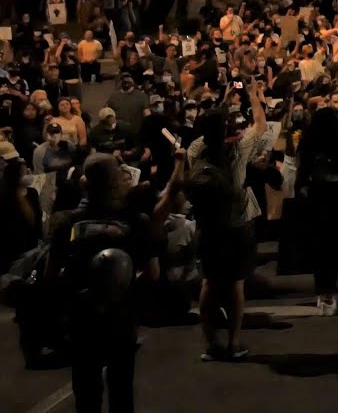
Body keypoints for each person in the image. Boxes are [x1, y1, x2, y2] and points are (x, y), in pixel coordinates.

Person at [46, 153, 161, 413]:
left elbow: (51, 275)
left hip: (81, 317)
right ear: (115, 182)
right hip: (121, 317)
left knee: (86, 393)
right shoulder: (136, 220)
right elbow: (152, 273)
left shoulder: (66, 222)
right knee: (121, 389)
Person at [182, 81, 268, 361]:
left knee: (209, 281)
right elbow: (260, 124)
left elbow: (206, 130)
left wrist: (223, 99)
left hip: (207, 225)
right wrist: (254, 96)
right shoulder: (237, 150)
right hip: (235, 224)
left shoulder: (195, 149)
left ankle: (210, 343)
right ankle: (233, 342)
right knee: (235, 284)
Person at [295, 107, 338, 315]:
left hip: (315, 200)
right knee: (333, 251)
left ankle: (321, 293)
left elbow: (301, 176)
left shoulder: (308, 145)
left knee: (318, 250)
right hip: (337, 202)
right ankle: (329, 295)